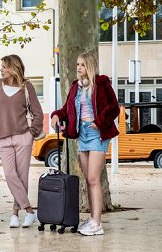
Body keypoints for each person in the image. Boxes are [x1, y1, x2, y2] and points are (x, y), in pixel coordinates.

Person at [50, 51, 119, 236]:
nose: (78, 68)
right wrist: (56, 115)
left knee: (93, 178)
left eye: (82, 64)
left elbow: (113, 107)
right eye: (77, 64)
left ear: (89, 66)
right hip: (82, 135)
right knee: (89, 180)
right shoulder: (75, 87)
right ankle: (92, 219)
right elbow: (67, 109)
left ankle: (97, 223)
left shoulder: (102, 84)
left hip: (97, 134)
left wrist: (99, 122)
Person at [0, 54, 43, 228]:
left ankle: (15, 214)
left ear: (14, 67)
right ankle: (30, 211)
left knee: (22, 177)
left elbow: (37, 112)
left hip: (23, 136)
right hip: (2, 137)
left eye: (4, 66)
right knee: (10, 175)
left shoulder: (26, 86)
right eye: (1, 66)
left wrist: (32, 132)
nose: (1, 69)